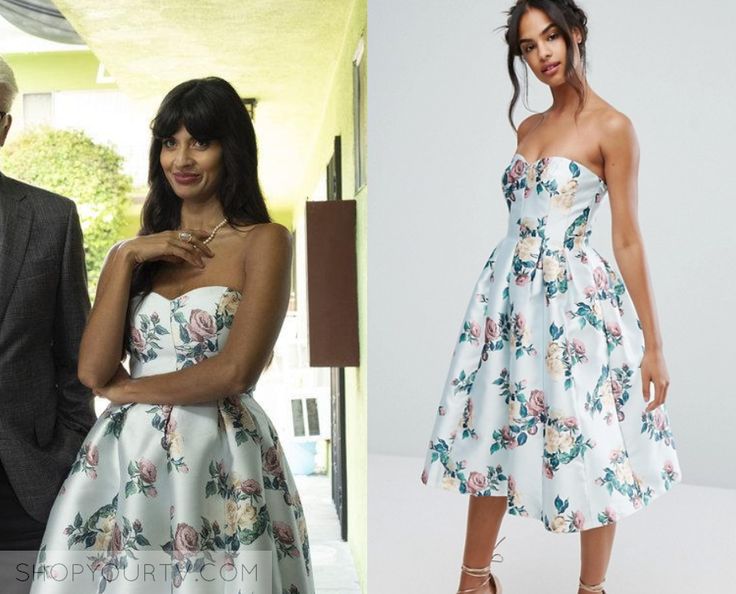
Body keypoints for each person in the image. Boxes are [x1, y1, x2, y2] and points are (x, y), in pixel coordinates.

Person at [419, 2, 682, 594]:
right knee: (493, 428)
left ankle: (591, 589)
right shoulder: (528, 128)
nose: (543, 54)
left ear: (576, 34)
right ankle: (474, 581)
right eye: (529, 46)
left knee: (591, 440)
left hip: (574, 304)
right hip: (508, 300)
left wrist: (654, 346)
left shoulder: (613, 127)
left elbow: (628, 239)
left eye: (552, 37)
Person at [30, 77, 314, 594]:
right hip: (131, 454)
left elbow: (236, 371)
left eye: (200, 142)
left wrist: (127, 392)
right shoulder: (138, 251)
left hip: (223, 451)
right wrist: (124, 257)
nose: (181, 158)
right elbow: (93, 371)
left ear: (233, 149)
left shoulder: (265, 241)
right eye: (169, 142)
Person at [0, 56, 96, 590]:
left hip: (27, 481)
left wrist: (68, 447)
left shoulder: (53, 218)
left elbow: (74, 352)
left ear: (5, 125)